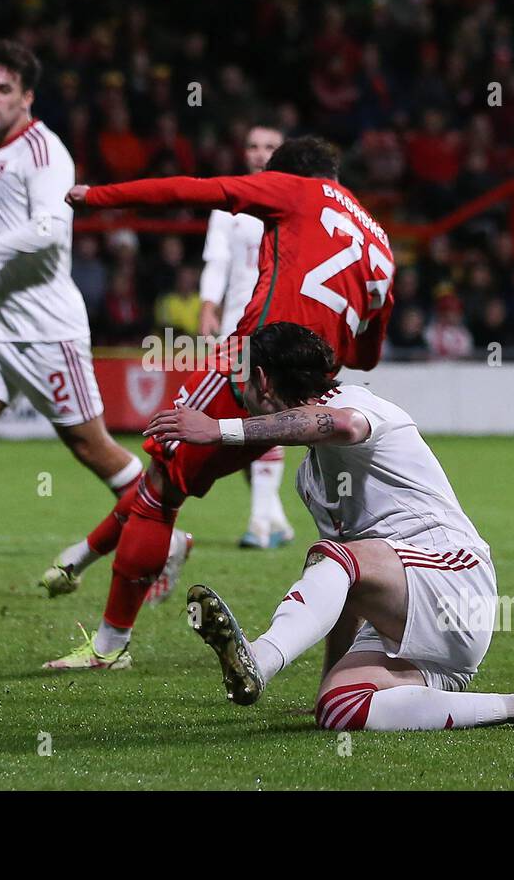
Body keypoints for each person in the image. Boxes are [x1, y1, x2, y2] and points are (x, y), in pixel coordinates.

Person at [41, 136, 395, 670]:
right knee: (174, 479)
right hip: (308, 402)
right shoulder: (382, 243)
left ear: (288, 174)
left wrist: (98, 197)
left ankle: (109, 647)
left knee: (162, 484)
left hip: (251, 365)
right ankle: (82, 556)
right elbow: (367, 355)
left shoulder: (294, 191)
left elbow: (195, 189)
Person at [148, 322, 514, 732]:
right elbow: (343, 591)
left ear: (263, 380)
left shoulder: (353, 402)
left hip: (453, 581)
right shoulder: (311, 478)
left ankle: (261, 660)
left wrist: (221, 429)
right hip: (408, 618)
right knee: (340, 708)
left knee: (334, 556)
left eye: (244, 378)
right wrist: (328, 678)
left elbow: (338, 425)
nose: (239, 388)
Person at [0, 41, 173, 600]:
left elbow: (51, 229)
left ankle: (165, 543)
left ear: (27, 96)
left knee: (91, 448)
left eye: (3, 89)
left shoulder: (45, 153)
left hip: (46, 328)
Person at [196, 124, 295, 551]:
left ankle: (258, 522)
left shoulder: (295, 201)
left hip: (278, 322)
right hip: (235, 323)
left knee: (267, 415)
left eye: (269, 147)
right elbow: (216, 261)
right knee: (243, 418)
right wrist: (207, 305)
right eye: (253, 146)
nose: (260, 154)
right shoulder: (229, 202)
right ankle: (274, 516)